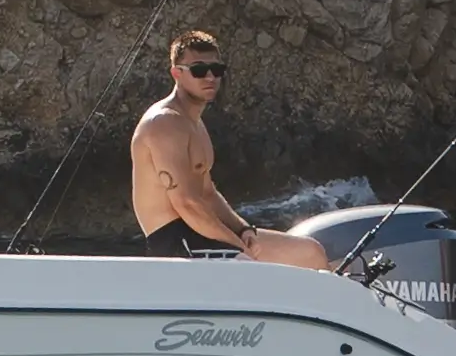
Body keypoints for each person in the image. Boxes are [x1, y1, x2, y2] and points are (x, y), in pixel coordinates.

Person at [129, 27, 336, 267]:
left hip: (204, 232)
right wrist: (237, 246)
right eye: (198, 70)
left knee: (311, 253)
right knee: (259, 269)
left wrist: (243, 229)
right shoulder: (164, 123)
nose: (209, 77)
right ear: (176, 73)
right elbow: (186, 203)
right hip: (176, 240)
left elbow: (207, 193)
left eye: (216, 70)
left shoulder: (194, 124)